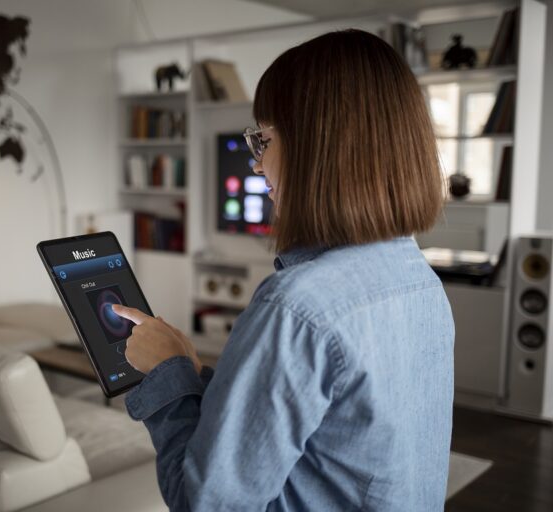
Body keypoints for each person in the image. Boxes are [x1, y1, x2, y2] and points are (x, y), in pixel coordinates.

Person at [112, 29, 453, 511]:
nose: (257, 166)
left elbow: (205, 503)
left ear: (319, 146)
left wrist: (167, 376)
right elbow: (319, 437)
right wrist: (192, 374)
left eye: (264, 140)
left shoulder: (298, 308)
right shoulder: (420, 280)